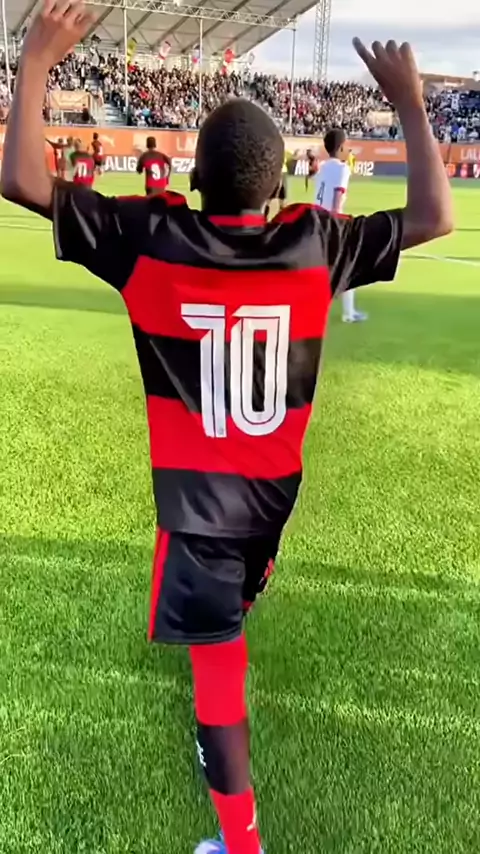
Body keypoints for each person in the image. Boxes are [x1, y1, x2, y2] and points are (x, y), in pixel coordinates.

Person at [1, 4, 453, 852]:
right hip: (272, 506)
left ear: (193, 178)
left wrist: (33, 66)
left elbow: (24, 181)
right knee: (230, 618)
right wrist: (411, 105)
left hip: (201, 512)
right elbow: (434, 219)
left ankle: (240, 842)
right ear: (278, 189)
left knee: (218, 675)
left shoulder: (151, 238)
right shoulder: (314, 242)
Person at [314, 128, 367, 323]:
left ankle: (345, 311)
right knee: (348, 265)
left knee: (325, 268)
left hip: (317, 220)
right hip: (331, 222)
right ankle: (348, 313)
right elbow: (337, 197)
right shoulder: (342, 169)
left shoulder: (323, 167)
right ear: (341, 147)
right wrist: (337, 225)